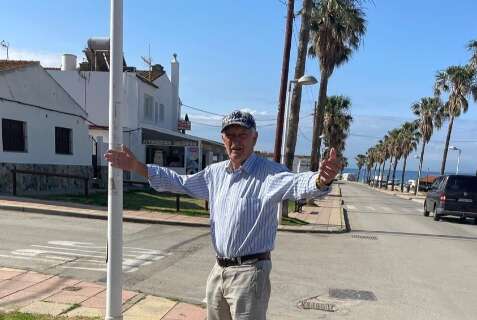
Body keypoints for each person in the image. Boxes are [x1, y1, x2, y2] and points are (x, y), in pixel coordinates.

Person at [104, 110, 340, 320]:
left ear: (254, 138)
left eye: (242, 135)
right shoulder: (215, 174)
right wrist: (138, 167)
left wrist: (321, 179)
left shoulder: (269, 174)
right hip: (219, 270)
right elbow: (180, 183)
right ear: (223, 140)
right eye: (231, 135)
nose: (236, 141)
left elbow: (297, 183)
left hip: (250, 273)